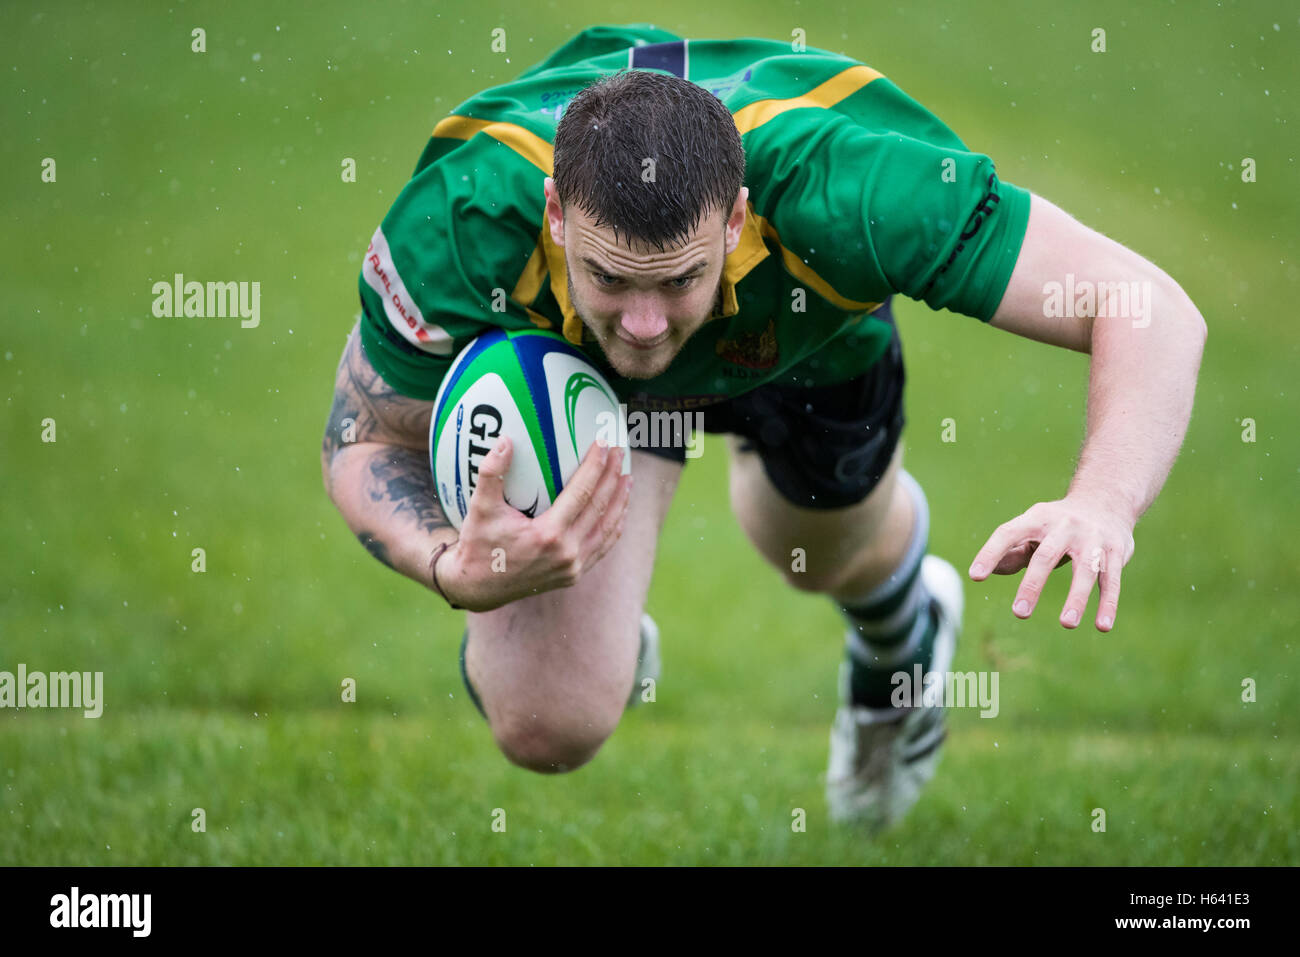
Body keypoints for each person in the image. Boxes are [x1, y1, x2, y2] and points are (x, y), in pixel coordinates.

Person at [320, 24, 1206, 831]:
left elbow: (1150, 310)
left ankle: (902, 625)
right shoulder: (467, 215)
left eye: (677, 279)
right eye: (612, 277)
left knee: (811, 551)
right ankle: (606, 624)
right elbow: (360, 436)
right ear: (556, 213)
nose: (644, 321)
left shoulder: (852, 187)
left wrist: (1102, 501)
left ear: (738, 217)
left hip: (804, 343)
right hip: (575, 373)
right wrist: (449, 564)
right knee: (546, 721)